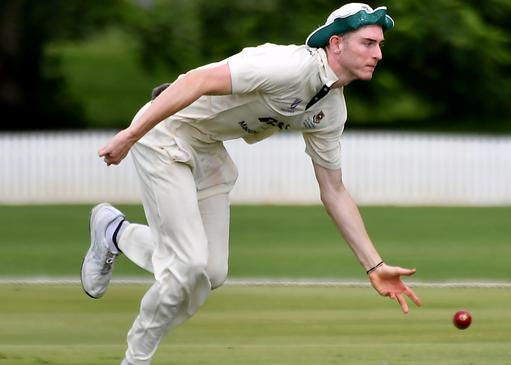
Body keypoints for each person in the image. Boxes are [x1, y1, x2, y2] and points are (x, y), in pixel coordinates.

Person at [81, 3, 421, 365]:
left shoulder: (331, 110)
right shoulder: (286, 66)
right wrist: (131, 135)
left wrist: (374, 266)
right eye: (368, 43)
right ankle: (135, 360)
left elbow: (333, 190)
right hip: (164, 137)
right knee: (186, 268)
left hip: (208, 151)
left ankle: (115, 233)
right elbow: (194, 80)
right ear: (336, 43)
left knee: (210, 273)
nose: (378, 54)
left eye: (380, 45)